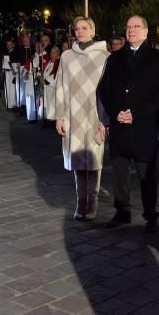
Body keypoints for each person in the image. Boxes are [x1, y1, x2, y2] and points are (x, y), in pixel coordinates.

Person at [98, 15, 159, 233]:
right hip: (119, 126)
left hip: (143, 127)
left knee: (146, 174)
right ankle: (122, 212)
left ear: (146, 31)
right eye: (128, 26)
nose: (131, 30)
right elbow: (104, 90)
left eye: (136, 27)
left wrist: (136, 114)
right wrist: (114, 113)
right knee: (119, 173)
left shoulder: (157, 58)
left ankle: (150, 215)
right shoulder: (115, 58)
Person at [55, 17, 110, 220]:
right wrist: (59, 116)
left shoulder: (105, 56)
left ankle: (93, 202)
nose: (80, 31)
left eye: (84, 28)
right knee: (77, 160)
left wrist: (105, 120)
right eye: (77, 29)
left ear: (93, 30)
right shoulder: (66, 56)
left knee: (94, 160)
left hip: (95, 115)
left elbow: (107, 91)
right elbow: (60, 86)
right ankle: (81, 202)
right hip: (73, 115)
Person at [42, 45, 60, 121]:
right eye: (51, 53)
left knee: (53, 105)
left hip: (53, 88)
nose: (52, 54)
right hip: (47, 87)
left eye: (54, 53)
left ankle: (55, 121)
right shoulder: (50, 62)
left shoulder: (58, 63)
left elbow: (56, 75)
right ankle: (49, 119)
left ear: (58, 54)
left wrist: (45, 81)